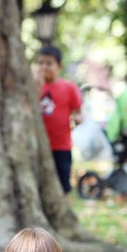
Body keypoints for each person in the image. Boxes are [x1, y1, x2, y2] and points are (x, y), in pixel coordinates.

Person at [36, 45, 82, 194]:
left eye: (49, 63)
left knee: (63, 184)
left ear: (59, 66)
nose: (44, 67)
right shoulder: (34, 87)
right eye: (40, 63)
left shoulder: (68, 87)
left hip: (61, 145)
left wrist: (77, 119)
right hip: (39, 144)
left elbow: (78, 111)